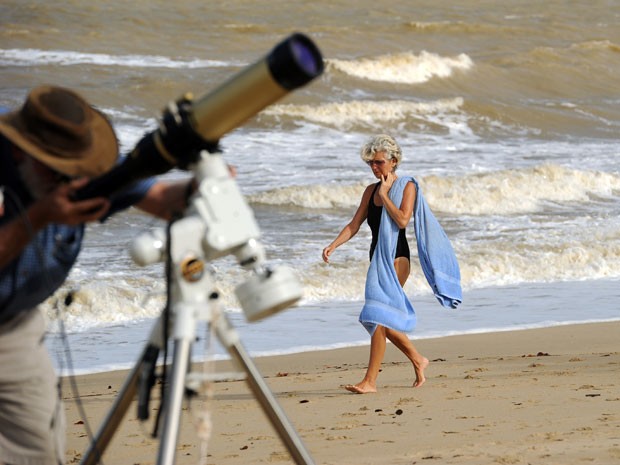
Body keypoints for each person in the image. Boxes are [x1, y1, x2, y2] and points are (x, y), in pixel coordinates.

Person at [0, 85, 195, 465]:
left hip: (13, 326)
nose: (73, 179)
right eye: (57, 170)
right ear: (21, 149)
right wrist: (40, 216)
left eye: (77, 169)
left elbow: (160, 200)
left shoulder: (84, 165)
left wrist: (202, 186)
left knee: (39, 451)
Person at [323, 134, 462, 394]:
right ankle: (418, 359)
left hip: (398, 259)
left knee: (377, 316)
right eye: (371, 164)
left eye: (378, 163)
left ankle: (370, 382)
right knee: (381, 319)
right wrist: (334, 244)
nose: (374, 168)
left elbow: (401, 220)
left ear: (393, 161)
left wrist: (386, 194)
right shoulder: (370, 191)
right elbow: (354, 225)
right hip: (377, 259)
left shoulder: (406, 186)